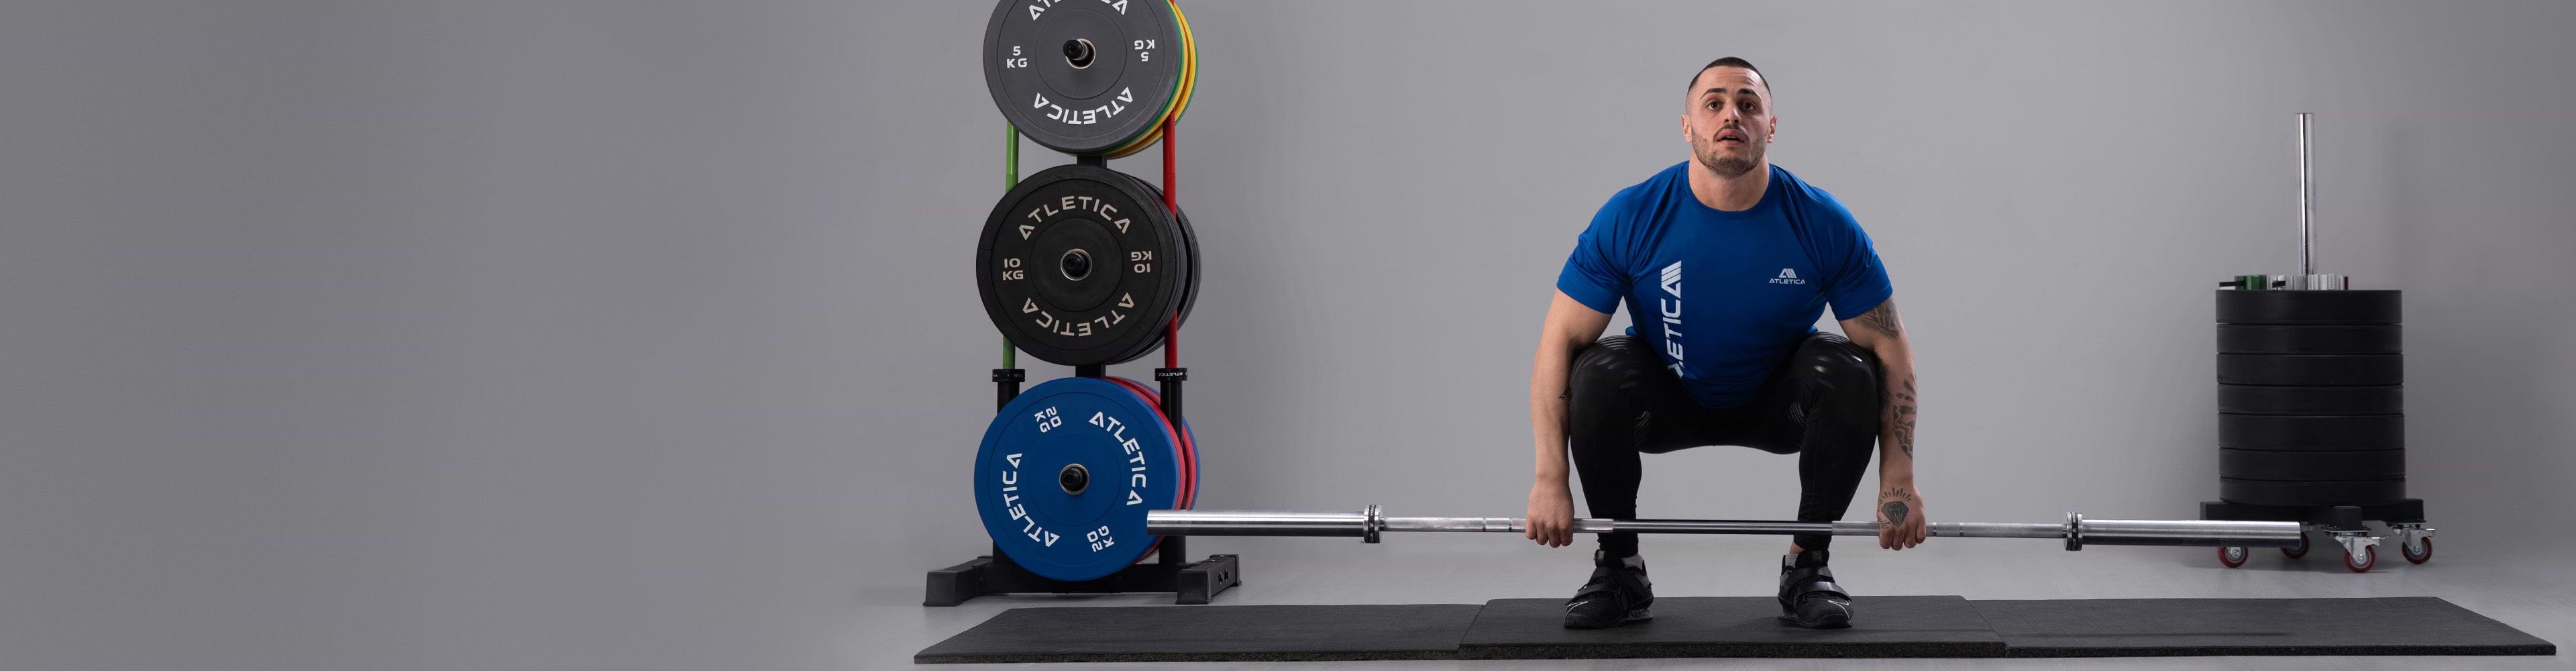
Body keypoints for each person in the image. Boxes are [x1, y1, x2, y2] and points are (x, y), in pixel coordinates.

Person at [1524, 57, 1925, 630]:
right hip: (1665, 403)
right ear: (1687, 126)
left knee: (1847, 367)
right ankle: (1620, 569)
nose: (1731, 115)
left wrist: (1899, 478)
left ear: (1771, 126)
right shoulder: (1632, 216)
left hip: (1778, 406)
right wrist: (1549, 479)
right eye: (1713, 104)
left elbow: (1891, 351)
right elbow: (1557, 344)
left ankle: (1807, 565)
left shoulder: (1822, 222)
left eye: (1748, 104)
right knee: (1598, 368)